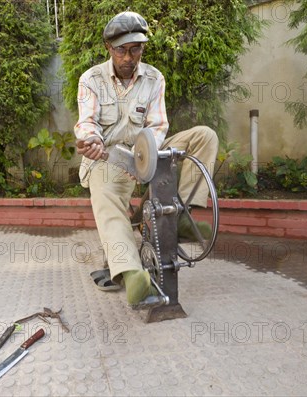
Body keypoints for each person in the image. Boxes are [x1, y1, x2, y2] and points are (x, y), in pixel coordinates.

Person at [75, 11, 219, 306]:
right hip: (108, 159)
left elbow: (157, 127)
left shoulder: (154, 78)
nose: (129, 57)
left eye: (136, 49)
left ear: (143, 47)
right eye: (121, 50)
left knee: (204, 136)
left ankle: (179, 217)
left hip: (145, 153)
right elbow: (87, 123)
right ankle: (130, 274)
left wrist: (144, 159)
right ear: (108, 48)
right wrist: (91, 141)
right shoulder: (91, 79)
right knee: (103, 189)